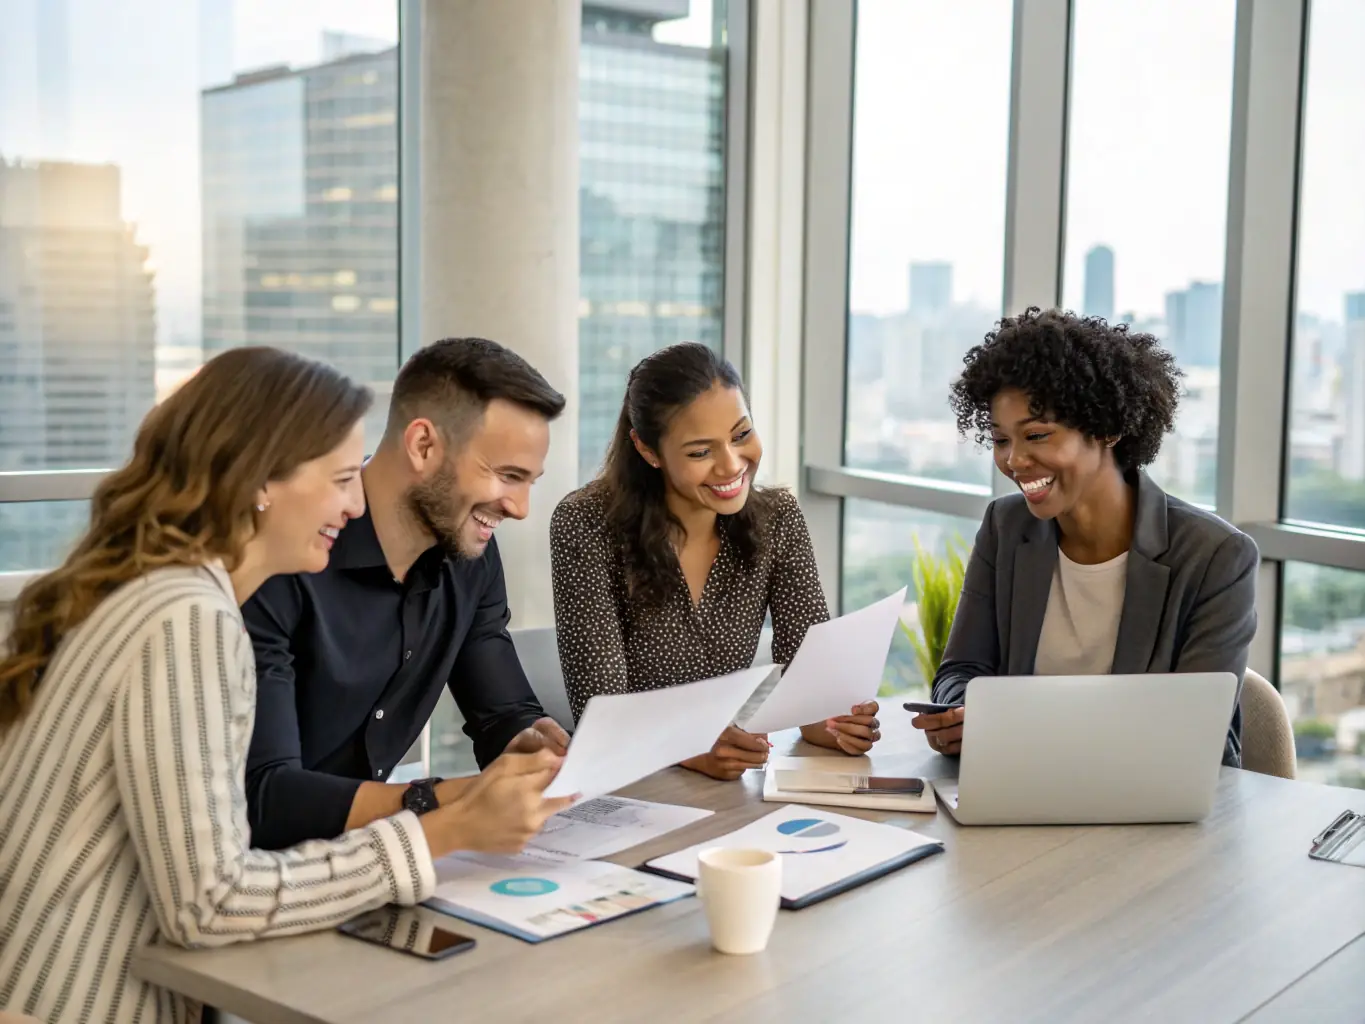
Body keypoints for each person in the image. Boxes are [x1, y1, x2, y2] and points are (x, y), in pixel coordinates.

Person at [0, 348, 573, 1024]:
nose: (357, 500)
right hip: (80, 1002)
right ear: (260, 483)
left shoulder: (170, 593)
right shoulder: (187, 619)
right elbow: (210, 902)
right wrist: (438, 830)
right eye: (338, 479)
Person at [243, 337, 572, 851]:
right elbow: (264, 798)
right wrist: (445, 803)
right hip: (267, 875)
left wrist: (528, 744)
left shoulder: (473, 555)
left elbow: (500, 712)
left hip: (373, 864)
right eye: (507, 476)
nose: (522, 508)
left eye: (530, 481)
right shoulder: (283, 558)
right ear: (423, 446)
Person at [910, 308, 1258, 767]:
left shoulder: (1215, 556)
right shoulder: (1006, 526)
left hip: (1156, 801)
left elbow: (1194, 730)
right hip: (1022, 782)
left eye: (1037, 435)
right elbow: (963, 669)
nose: (1014, 461)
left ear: (1108, 428)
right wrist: (960, 714)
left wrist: (1017, 726)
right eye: (1000, 440)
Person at [550, 343, 881, 781]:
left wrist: (835, 724)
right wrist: (690, 746)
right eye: (699, 452)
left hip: (721, 792)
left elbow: (809, 679)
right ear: (648, 451)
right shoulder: (585, 522)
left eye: (741, 434)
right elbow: (601, 708)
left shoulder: (777, 518)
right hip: (624, 785)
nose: (731, 465)